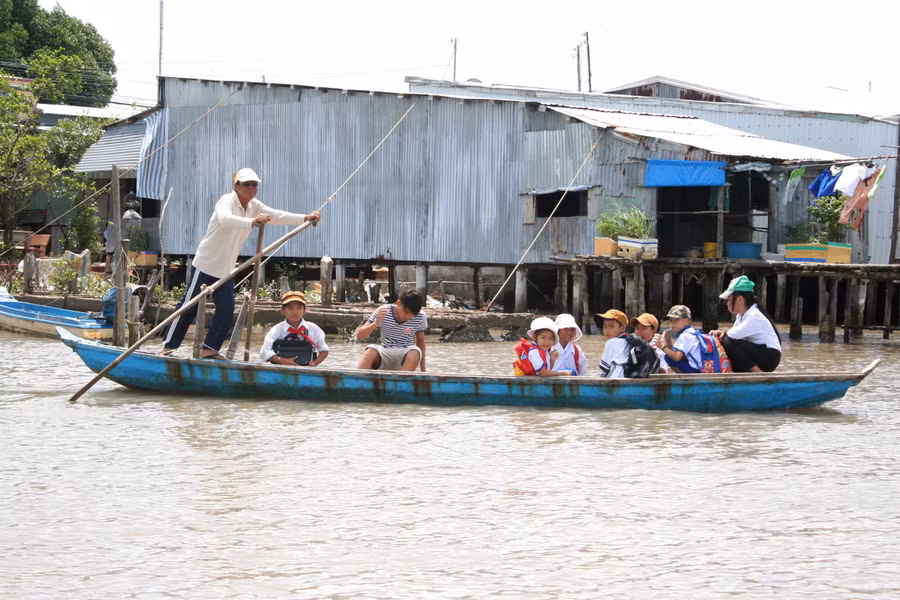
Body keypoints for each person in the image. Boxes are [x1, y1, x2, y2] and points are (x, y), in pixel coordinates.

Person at [161, 168, 320, 358]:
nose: (251, 188)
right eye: (246, 184)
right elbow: (225, 219)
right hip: (206, 264)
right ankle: (168, 348)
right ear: (236, 186)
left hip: (227, 269)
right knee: (188, 307)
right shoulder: (226, 200)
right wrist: (252, 222)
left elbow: (276, 215)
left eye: (254, 184)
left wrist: (305, 218)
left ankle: (209, 350)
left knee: (227, 312)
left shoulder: (254, 205)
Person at [709, 275, 782, 372]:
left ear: (739, 299)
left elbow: (733, 335)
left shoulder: (754, 315)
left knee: (728, 342)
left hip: (770, 357)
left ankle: (758, 373)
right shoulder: (741, 316)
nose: (727, 303)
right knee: (727, 343)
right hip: (762, 353)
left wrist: (724, 332)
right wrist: (723, 332)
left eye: (729, 299)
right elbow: (734, 334)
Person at [356, 290, 428, 371]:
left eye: (411, 316)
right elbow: (359, 336)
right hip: (385, 352)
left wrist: (423, 370)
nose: (407, 317)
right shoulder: (383, 310)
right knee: (369, 351)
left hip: (404, 354)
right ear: (398, 303)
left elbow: (421, 343)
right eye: (405, 312)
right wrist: (376, 323)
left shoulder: (421, 316)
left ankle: (401, 382)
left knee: (415, 352)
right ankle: (359, 382)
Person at [259, 291, 329, 367]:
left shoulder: (313, 329)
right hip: (281, 370)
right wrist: (283, 361)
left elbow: (324, 350)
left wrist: (314, 363)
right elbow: (264, 352)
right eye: (290, 308)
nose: (295, 312)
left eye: (299, 308)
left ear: (304, 310)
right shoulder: (276, 330)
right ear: (283, 311)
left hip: (306, 370)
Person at [655, 305, 703, 373]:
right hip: (698, 367)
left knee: (668, 357)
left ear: (686, 321)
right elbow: (675, 352)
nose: (672, 323)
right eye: (671, 320)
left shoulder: (684, 336)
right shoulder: (692, 332)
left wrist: (663, 346)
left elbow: (677, 357)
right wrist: (668, 341)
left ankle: (683, 379)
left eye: (676, 319)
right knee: (670, 354)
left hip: (694, 369)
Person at [595, 309, 630, 378]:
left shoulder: (611, 343)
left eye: (612, 326)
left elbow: (604, 367)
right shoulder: (629, 341)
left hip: (617, 379)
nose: (607, 330)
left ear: (622, 328)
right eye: (605, 327)